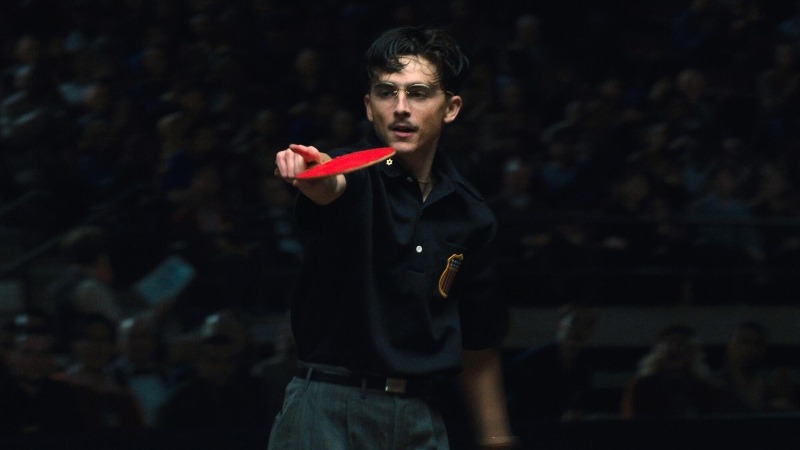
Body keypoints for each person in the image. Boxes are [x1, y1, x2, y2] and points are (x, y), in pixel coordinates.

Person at [271, 26, 515, 449]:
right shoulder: (352, 175)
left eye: (418, 93)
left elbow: (480, 345)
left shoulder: (472, 216)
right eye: (387, 93)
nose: (401, 108)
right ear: (369, 107)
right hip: (327, 407)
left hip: (419, 416)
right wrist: (313, 173)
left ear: (451, 108)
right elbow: (331, 185)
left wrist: (496, 439)